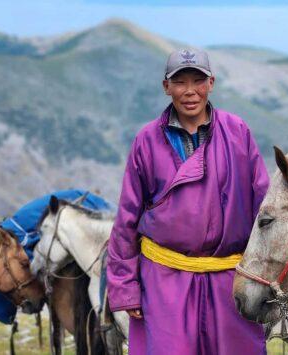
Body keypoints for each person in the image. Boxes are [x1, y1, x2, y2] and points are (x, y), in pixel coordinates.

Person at [106, 48, 269, 355]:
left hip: (228, 277)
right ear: (166, 87)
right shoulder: (146, 141)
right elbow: (127, 219)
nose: (190, 91)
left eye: (198, 80)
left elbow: (264, 206)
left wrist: (268, 276)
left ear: (211, 83)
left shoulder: (237, 132)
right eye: (180, 82)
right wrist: (125, 288)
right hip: (164, 279)